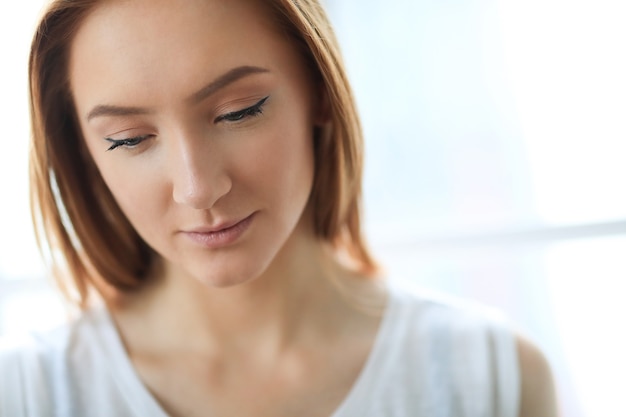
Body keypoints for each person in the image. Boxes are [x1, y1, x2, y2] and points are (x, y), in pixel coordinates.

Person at [0, 0, 558, 416]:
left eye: (239, 111)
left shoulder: (489, 380)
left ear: (318, 89)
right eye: (128, 140)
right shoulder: (28, 395)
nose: (198, 189)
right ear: (82, 152)